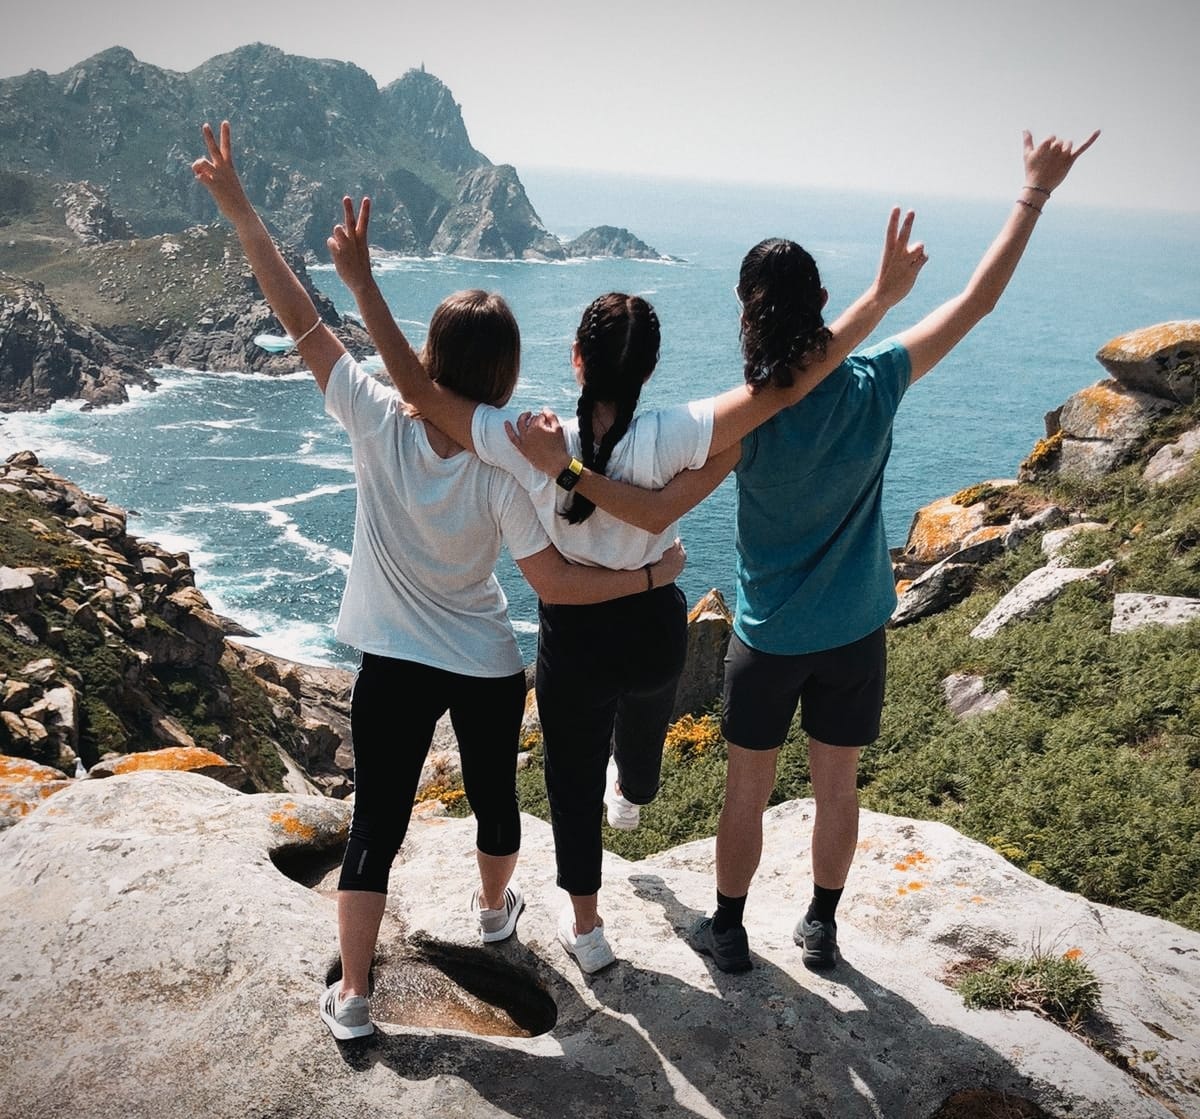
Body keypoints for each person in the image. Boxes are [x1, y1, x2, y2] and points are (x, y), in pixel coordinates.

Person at [506, 128, 1100, 974]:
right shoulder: (880, 379)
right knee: (837, 787)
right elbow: (977, 302)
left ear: (749, 313)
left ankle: (731, 928)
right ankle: (820, 924)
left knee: (744, 792)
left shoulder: (751, 420)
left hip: (769, 635)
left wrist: (567, 472)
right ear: (822, 299)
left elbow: (656, 506)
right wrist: (1032, 193)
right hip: (856, 629)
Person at [325, 197, 925, 972]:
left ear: (576, 359)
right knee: (638, 741)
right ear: (650, 367)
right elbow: (786, 387)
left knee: (570, 789)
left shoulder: (531, 440)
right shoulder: (677, 431)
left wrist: (365, 284)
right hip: (653, 633)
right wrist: (877, 300)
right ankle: (635, 790)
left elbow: (416, 386)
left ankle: (587, 929)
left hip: (575, 639)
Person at [190, 120, 687, 1040]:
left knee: (376, 819)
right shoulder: (504, 468)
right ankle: (497, 916)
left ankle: (354, 998)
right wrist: (651, 574)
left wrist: (241, 210)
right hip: (485, 660)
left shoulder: (375, 416)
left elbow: (300, 318)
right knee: (497, 802)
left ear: (425, 357)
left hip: (390, 657)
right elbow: (557, 585)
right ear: (501, 377)